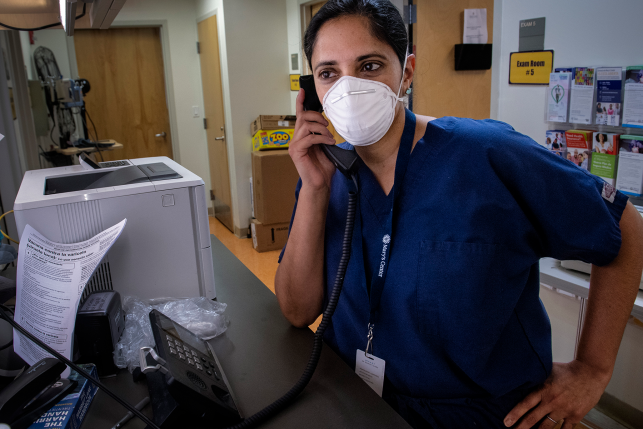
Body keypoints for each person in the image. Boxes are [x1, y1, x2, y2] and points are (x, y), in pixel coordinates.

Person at [275, 1, 643, 428]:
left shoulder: (487, 155)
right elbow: (298, 311)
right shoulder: (327, 172)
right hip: (359, 403)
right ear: (312, 89)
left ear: (406, 73)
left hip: (485, 415)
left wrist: (592, 370)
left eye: (370, 65)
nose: (349, 87)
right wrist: (316, 190)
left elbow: (622, 223)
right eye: (329, 73)